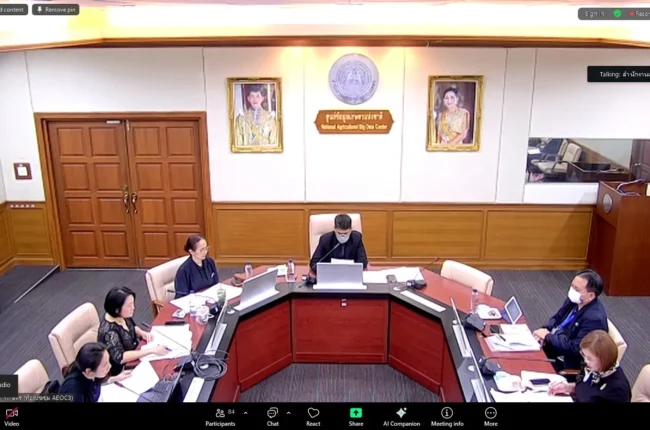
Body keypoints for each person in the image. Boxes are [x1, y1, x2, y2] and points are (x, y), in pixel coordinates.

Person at [532, 269, 608, 370]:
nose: (572, 290)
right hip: (553, 343)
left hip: (564, 360)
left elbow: (576, 349)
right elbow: (557, 318)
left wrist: (548, 337)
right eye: (572, 286)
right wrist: (545, 330)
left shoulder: (593, 319)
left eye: (577, 289)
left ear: (591, 296)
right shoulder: (574, 300)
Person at [98, 286, 167, 375]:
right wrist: (150, 351)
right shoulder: (109, 332)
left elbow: (131, 327)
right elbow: (121, 357)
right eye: (129, 306)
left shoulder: (121, 314)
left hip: (137, 353)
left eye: (133, 304)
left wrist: (142, 333)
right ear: (117, 309)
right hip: (124, 369)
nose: (133, 308)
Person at [548, 330, 631, 402]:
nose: (585, 361)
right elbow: (585, 389)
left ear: (603, 359)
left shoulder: (617, 390)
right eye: (584, 355)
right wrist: (567, 387)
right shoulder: (596, 369)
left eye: (589, 358)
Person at [58, 342, 131, 403]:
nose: (110, 366)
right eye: (105, 364)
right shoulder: (73, 389)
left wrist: (114, 378)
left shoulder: (92, 373)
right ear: (89, 371)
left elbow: (97, 382)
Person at [174, 234, 219, 299]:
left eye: (206, 248)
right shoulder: (183, 271)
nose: (205, 252)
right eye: (202, 250)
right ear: (191, 252)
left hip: (211, 299)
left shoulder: (210, 262)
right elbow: (181, 297)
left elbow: (216, 284)